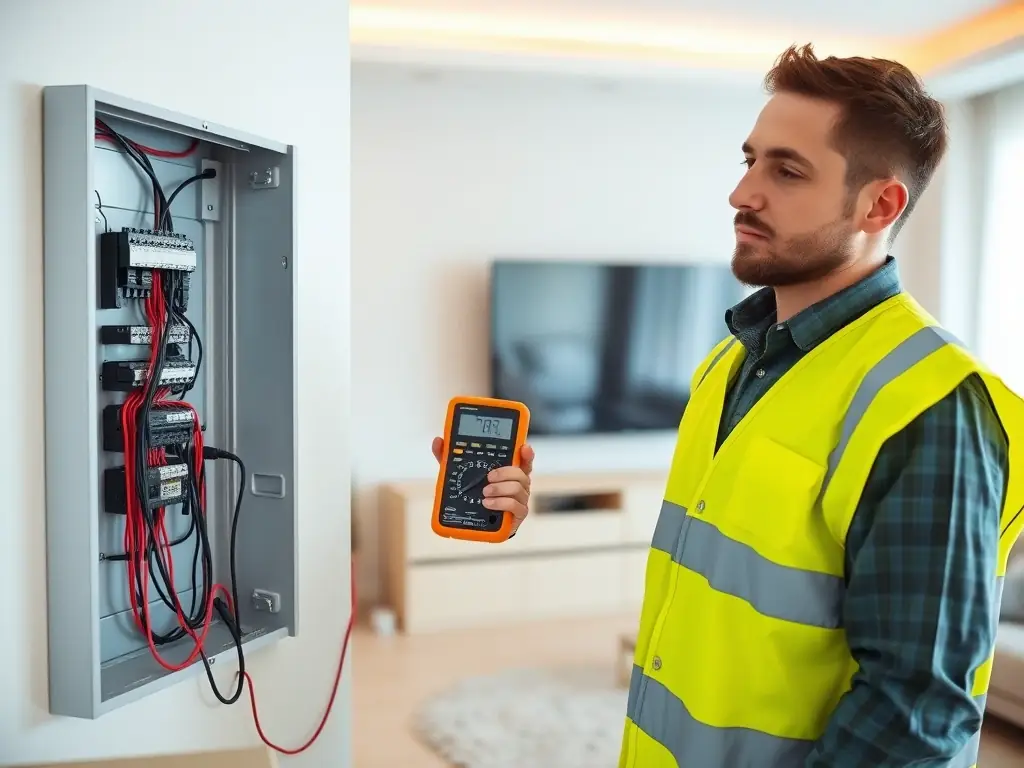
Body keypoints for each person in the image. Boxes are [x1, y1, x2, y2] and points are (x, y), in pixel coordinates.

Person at [432, 43, 1024, 767]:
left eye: (787, 170)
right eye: (750, 160)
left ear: (880, 204)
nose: (743, 193)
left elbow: (915, 713)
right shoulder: (731, 359)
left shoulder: (933, 408)